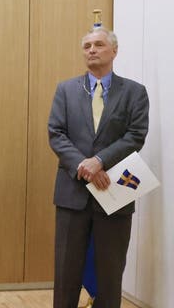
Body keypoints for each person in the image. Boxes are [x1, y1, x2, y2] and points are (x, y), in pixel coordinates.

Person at [48, 26, 149, 307]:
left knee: (110, 274)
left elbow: (136, 134)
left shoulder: (135, 92)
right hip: (72, 194)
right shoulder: (65, 90)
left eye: (99, 45)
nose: (92, 50)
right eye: (87, 46)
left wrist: (100, 161)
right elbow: (56, 133)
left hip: (114, 194)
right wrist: (84, 165)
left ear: (114, 51)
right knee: (66, 273)